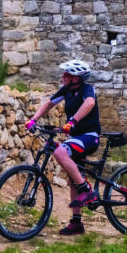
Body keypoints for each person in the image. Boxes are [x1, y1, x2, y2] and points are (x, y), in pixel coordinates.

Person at [24, 59, 101, 236]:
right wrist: (33, 119)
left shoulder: (87, 89)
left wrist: (73, 120)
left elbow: (89, 103)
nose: (62, 77)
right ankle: (76, 223)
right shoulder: (66, 90)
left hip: (90, 137)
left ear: (75, 78)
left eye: (66, 74)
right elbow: (49, 104)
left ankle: (86, 190)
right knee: (74, 178)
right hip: (76, 138)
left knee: (60, 151)